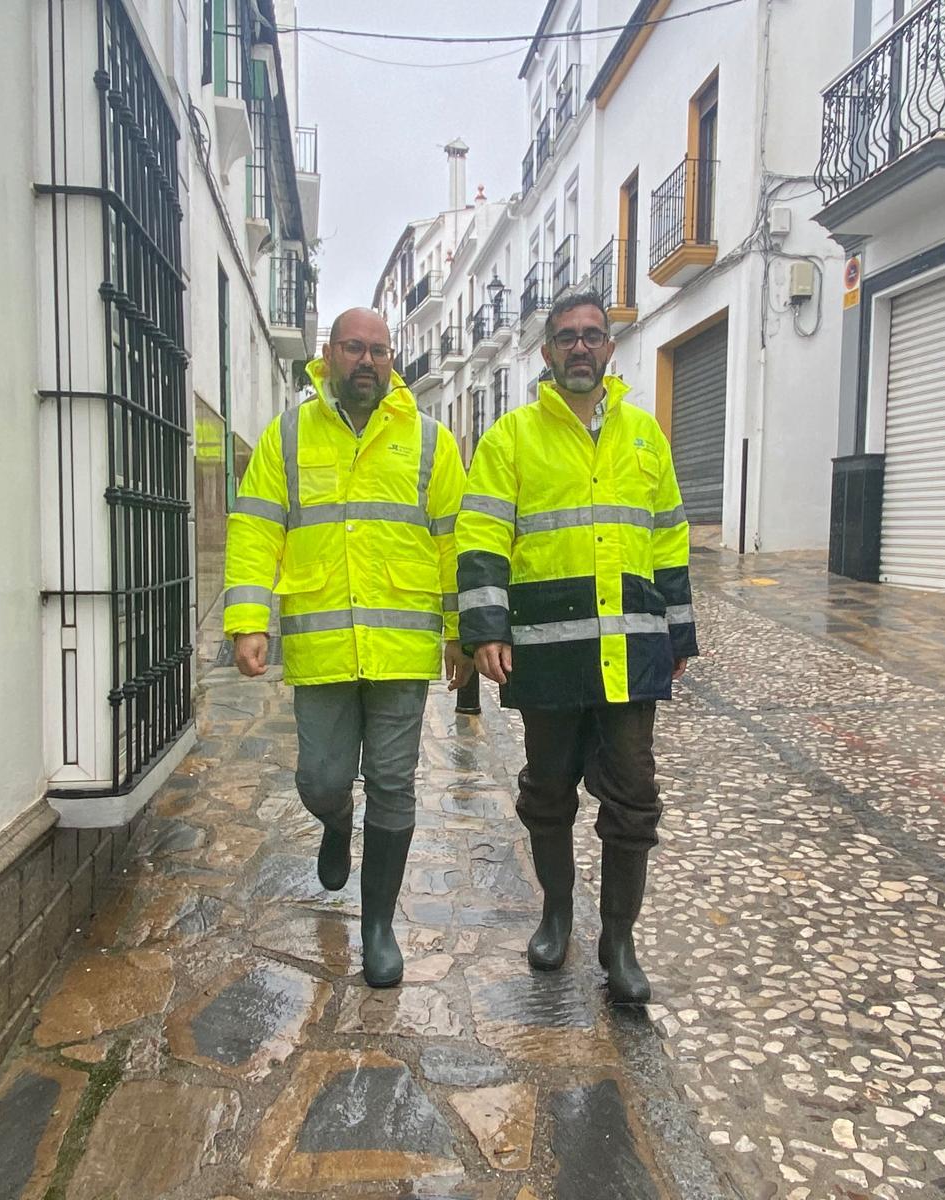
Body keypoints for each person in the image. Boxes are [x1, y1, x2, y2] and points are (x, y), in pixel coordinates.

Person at [455, 291, 697, 1004]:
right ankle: (557, 914)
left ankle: (618, 941)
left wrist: (677, 631)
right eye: (568, 338)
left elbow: (671, 537)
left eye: (593, 335)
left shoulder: (646, 437)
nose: (582, 348)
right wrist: (486, 630)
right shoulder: (511, 439)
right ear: (547, 354)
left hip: (630, 652)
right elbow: (482, 538)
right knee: (548, 790)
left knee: (634, 798)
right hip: (551, 653)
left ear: (611, 348)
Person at [224, 307, 472, 988]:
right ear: (329, 354)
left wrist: (461, 632)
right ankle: (335, 825)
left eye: (380, 351)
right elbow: (254, 530)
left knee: (394, 785)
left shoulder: (429, 441)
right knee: (321, 780)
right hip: (324, 646)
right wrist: (250, 619)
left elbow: (455, 540)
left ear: (393, 360)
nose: (368, 361)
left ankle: (379, 927)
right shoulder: (288, 436)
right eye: (355, 349)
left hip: (401, 646)